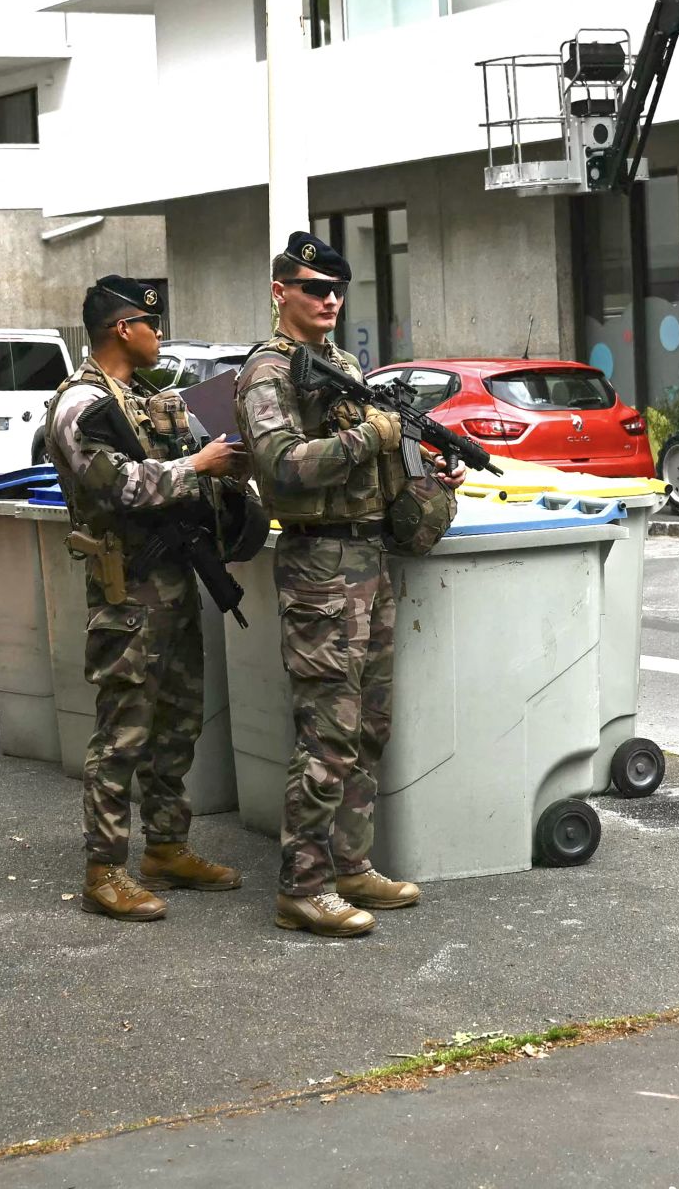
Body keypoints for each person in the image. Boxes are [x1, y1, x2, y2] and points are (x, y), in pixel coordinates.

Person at [233, 232, 465, 938]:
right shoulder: (267, 372)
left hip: (368, 561)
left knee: (367, 728)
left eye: (338, 288)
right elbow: (281, 465)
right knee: (326, 732)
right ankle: (301, 887)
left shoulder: (339, 365)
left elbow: (374, 457)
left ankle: (351, 863)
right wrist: (375, 435)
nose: (329, 299)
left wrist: (425, 473)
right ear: (281, 291)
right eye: (313, 287)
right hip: (319, 568)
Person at [44, 276, 248, 921]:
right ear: (122, 329)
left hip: (172, 584)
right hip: (126, 591)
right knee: (123, 731)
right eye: (152, 326)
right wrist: (197, 467)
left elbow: (183, 460)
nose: (159, 337)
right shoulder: (81, 404)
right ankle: (105, 869)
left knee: (178, 722)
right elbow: (114, 485)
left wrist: (219, 469)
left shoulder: (141, 398)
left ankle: (167, 846)